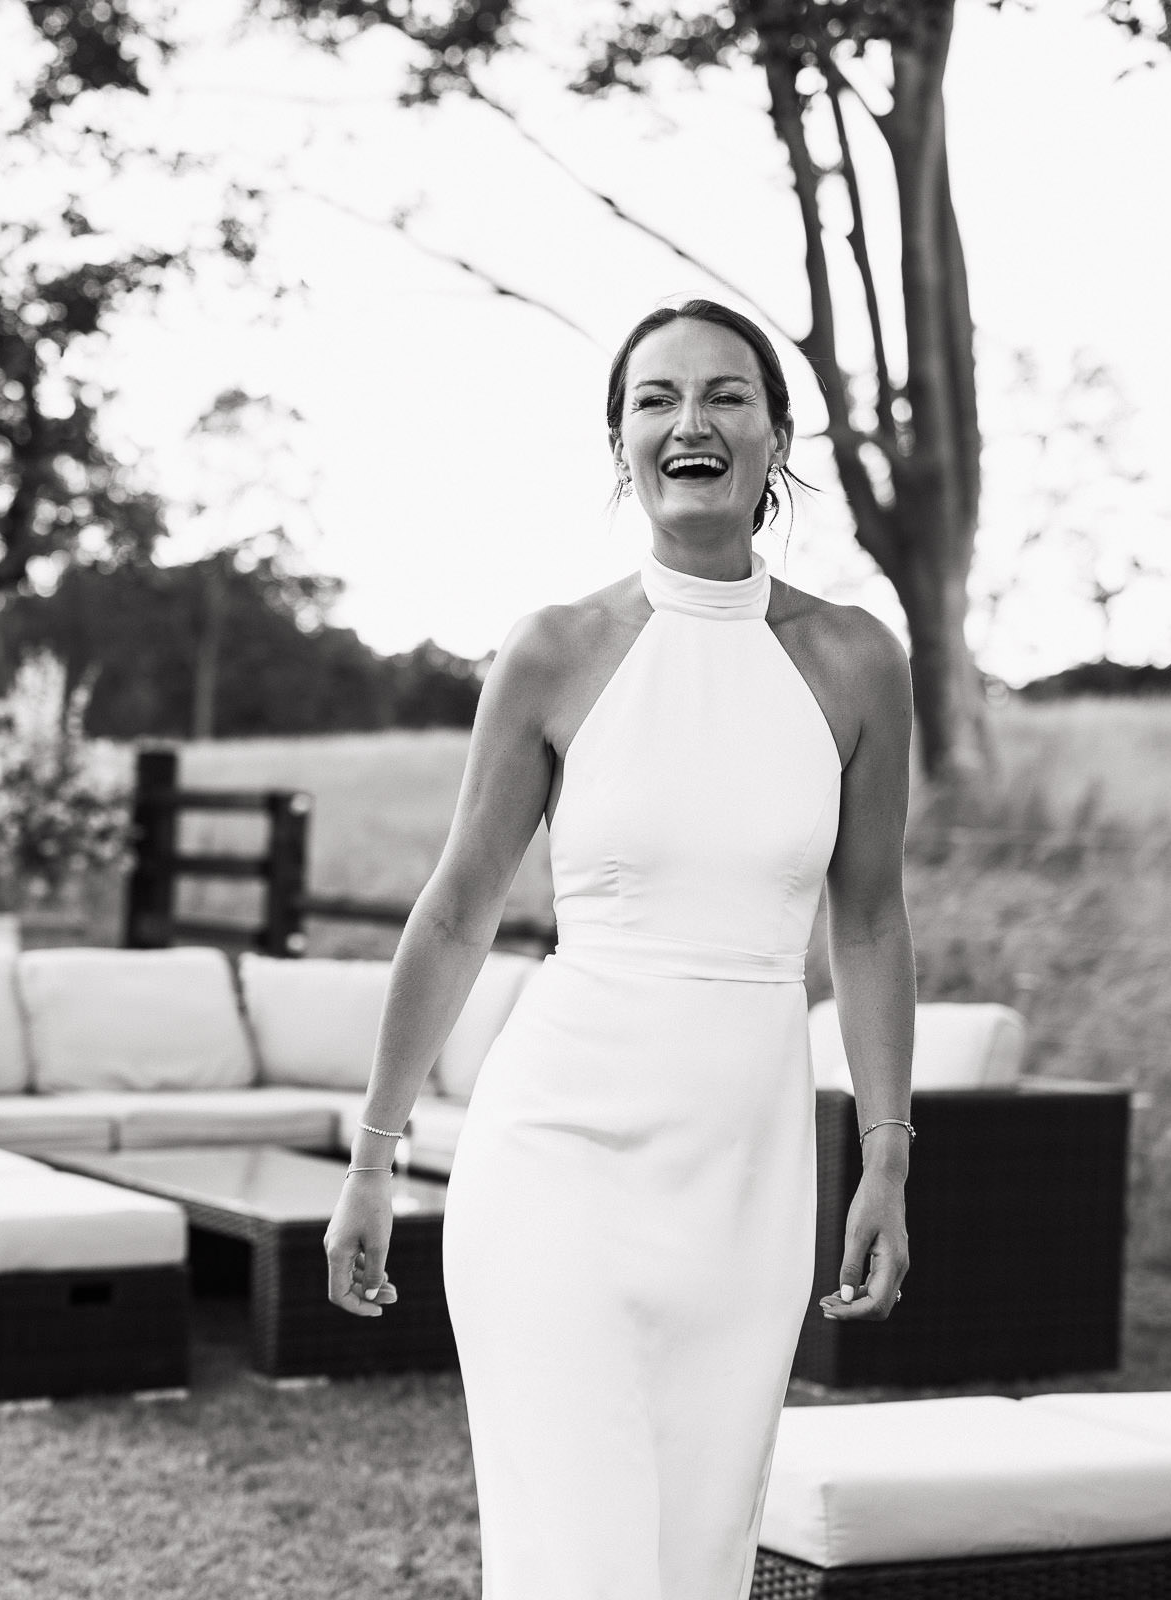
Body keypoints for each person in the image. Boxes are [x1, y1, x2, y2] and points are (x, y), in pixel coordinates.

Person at [322, 299, 918, 1599]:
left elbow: (867, 917)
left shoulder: (859, 661)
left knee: (693, 1561)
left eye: (724, 396)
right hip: (556, 1161)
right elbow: (458, 908)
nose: (689, 422)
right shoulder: (555, 651)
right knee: (577, 1560)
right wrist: (374, 1156)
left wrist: (886, 1158)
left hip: (747, 1182)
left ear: (776, 436)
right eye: (655, 399)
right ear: (620, 444)